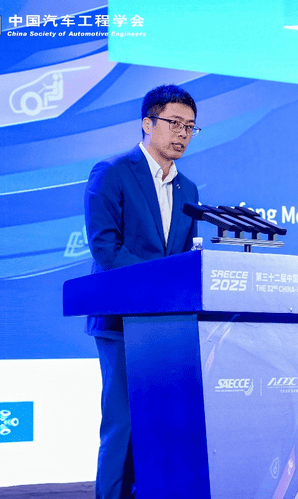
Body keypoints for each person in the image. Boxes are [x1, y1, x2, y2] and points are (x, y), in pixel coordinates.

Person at [84, 84, 201, 499]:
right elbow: (105, 247)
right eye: (174, 123)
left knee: (161, 423)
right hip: (120, 319)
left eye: (190, 126)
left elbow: (184, 256)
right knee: (124, 423)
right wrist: (161, 282)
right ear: (148, 123)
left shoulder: (189, 190)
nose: (183, 133)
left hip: (168, 325)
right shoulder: (113, 172)